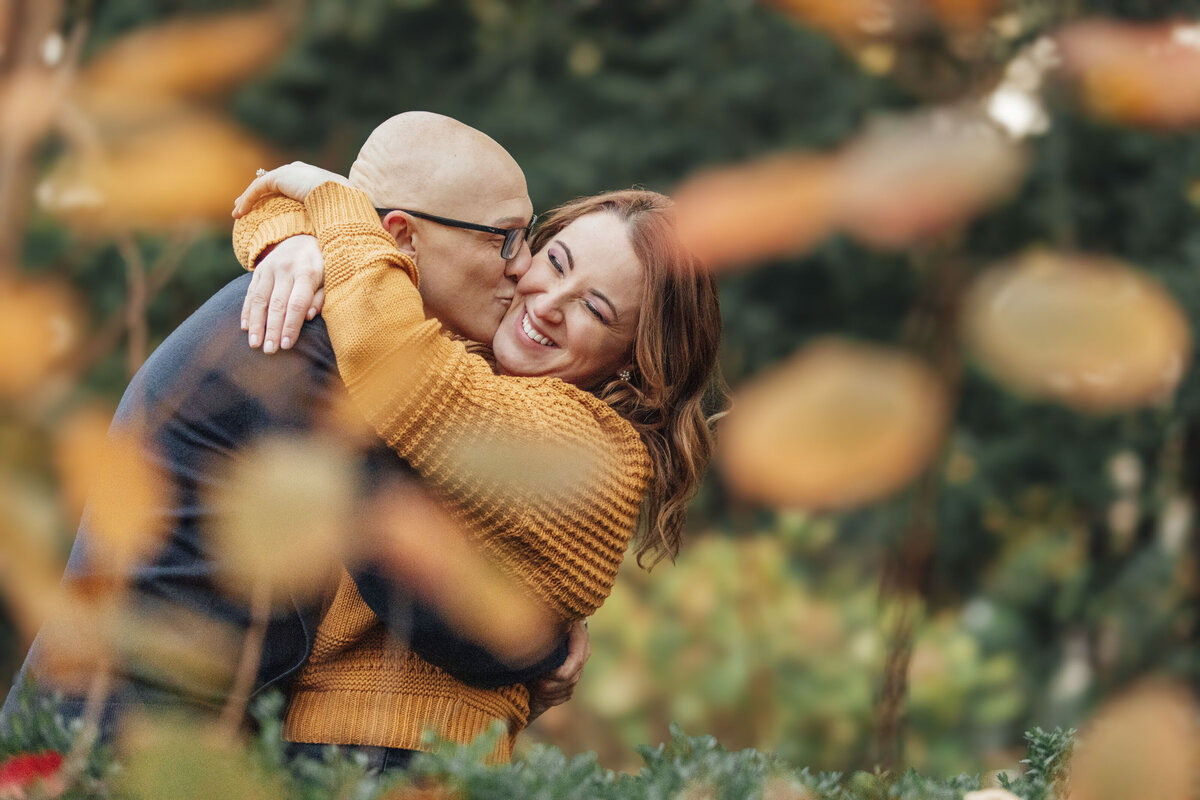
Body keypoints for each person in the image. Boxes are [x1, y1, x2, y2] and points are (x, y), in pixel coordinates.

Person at [0, 113, 586, 758]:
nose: (523, 266)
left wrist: (303, 231)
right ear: (401, 238)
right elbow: (415, 594)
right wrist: (548, 646)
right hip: (104, 741)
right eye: (504, 238)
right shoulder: (310, 341)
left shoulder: (330, 316)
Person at [228, 148, 725, 763]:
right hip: (297, 733)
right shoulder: (470, 353)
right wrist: (296, 249)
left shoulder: (599, 449)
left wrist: (330, 205)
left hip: (409, 755)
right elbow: (265, 205)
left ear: (635, 360)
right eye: (556, 262)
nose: (547, 304)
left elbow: (396, 360)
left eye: (595, 309)